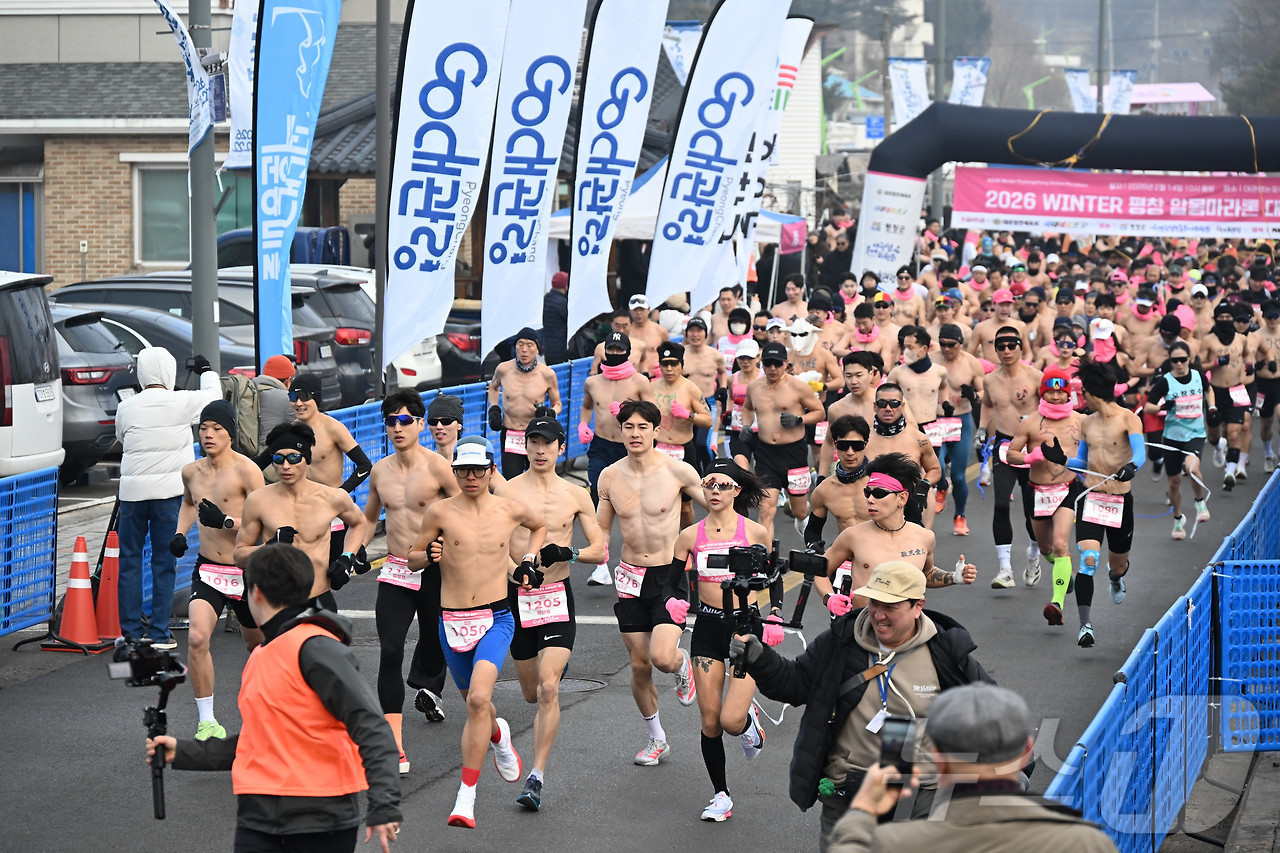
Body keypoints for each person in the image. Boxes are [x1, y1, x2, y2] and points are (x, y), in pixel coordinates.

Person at [146, 544, 403, 853]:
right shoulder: (263, 654)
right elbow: (258, 741)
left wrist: (385, 804)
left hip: (321, 822)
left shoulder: (316, 648)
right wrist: (185, 752)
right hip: (258, 821)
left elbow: (371, 725)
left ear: (254, 593)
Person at [731, 561, 994, 852]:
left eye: (891, 606)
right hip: (849, 792)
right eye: (874, 603)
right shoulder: (842, 640)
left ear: (918, 606)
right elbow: (795, 684)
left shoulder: (945, 650)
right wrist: (760, 659)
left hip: (921, 797)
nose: (879, 615)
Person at [407, 436, 547, 829]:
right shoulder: (440, 512)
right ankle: (499, 735)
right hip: (450, 621)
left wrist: (529, 560)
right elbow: (411, 557)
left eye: (478, 470)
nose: (470, 477)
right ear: (455, 472)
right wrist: (428, 555)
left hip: (496, 617)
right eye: (463, 470)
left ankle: (465, 798)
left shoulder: (509, 508)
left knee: (478, 700)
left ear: (490, 470)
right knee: (479, 707)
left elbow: (539, 527)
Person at [828, 683, 1118, 852]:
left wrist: (862, 813)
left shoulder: (894, 844)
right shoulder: (1085, 843)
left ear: (938, 759)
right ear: (1027, 751)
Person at [494, 415, 606, 811]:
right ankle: (506, 737)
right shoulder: (506, 492)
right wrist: (517, 574)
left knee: (548, 686)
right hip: (517, 597)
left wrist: (569, 552)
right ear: (524, 447)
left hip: (557, 595)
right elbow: (496, 545)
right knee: (529, 693)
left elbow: (600, 550)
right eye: (533, 442)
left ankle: (536, 777)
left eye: (548, 443)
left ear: (561, 448)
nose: (540, 450)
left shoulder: (576, 495)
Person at [596, 400, 706, 766]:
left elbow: (717, 506)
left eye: (643, 427)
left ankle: (680, 664)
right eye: (629, 427)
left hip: (668, 575)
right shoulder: (610, 476)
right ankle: (656, 738)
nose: (635, 433)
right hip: (629, 576)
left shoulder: (678, 472)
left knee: (661, 657)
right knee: (640, 664)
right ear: (620, 431)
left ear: (657, 431)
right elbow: (600, 530)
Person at [359, 390, 461, 772]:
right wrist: (353, 553)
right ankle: (394, 744)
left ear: (420, 424)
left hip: (436, 567)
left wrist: (451, 548)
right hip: (398, 570)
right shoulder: (380, 471)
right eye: (391, 421)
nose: (397, 427)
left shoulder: (438, 468)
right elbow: (369, 519)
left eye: (405, 420)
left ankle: (433, 689)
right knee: (390, 650)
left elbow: (463, 511)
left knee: (437, 642)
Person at [669, 459, 776, 822]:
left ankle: (749, 725)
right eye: (709, 484)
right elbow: (673, 580)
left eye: (723, 485)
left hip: (746, 629)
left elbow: (773, 576)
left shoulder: (755, 532)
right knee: (710, 721)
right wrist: (674, 599)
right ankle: (721, 795)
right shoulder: (689, 536)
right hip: (708, 629)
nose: (714, 491)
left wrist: (774, 612)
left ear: (737, 491)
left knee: (731, 722)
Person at [169, 400, 266, 739]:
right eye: (204, 428)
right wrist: (180, 533)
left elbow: (267, 519)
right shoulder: (191, 472)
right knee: (196, 638)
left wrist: (227, 521)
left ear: (230, 434)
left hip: (246, 569)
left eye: (217, 429)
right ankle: (206, 720)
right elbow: (187, 502)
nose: (208, 435)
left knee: (259, 649)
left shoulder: (246, 471)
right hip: (209, 569)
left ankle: (264, 715)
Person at [115, 347, 221, 647]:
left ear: (142, 372)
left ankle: (131, 634)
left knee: (130, 562)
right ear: (170, 372)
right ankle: (160, 632)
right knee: (164, 562)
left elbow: (121, 436)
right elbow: (214, 396)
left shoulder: (128, 406)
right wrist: (206, 370)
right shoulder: (181, 402)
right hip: (169, 495)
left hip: (132, 496)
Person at [1044, 359, 1145, 647]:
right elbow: (1084, 464)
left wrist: (1132, 467)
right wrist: (1062, 460)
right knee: (1088, 561)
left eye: (1083, 391)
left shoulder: (1129, 419)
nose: (1081, 396)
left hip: (1120, 499)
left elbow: (1140, 454)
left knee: (1117, 565)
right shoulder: (1087, 421)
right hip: (1092, 496)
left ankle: (1116, 578)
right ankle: (1085, 626)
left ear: (1093, 392)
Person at [817, 453, 976, 616]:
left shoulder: (924, 538)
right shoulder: (853, 536)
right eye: (867, 493)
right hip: (862, 628)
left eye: (879, 493)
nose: (870, 499)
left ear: (902, 498)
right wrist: (829, 598)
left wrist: (954, 577)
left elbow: (925, 574)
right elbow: (819, 569)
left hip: (908, 630)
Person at [235, 422, 368, 612]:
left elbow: (359, 523)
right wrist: (268, 548)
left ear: (306, 459)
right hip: (275, 605)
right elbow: (239, 556)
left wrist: (347, 558)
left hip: (318, 599)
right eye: (278, 459)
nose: (285, 466)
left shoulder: (331, 497)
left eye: (294, 458)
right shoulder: (258, 501)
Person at [1004, 368, 1086, 628]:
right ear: (1043, 393)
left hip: (1067, 489)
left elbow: (1094, 451)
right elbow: (1010, 454)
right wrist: (1030, 457)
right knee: (1047, 549)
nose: (1056, 397)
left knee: (1062, 544)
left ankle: (1057, 603)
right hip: (1037, 491)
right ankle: (1065, 573)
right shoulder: (1030, 422)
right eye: (1050, 391)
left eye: (1061, 392)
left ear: (1068, 394)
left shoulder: (1080, 421)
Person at [975, 327, 1043, 588]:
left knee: (1032, 512)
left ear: (1020, 347)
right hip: (1003, 446)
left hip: (1031, 450)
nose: (1005, 351)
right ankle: (1005, 569)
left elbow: (1054, 406)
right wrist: (982, 428)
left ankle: (1034, 555)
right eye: (1000, 346)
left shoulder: (1036, 377)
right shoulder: (990, 380)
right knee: (1001, 503)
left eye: (1011, 345)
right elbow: (989, 405)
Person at [282, 373, 373, 565]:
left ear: (316, 398)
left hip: (332, 514)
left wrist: (339, 493)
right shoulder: (290, 430)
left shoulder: (333, 428)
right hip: (301, 511)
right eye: (292, 397)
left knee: (329, 575)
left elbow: (364, 465)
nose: (298, 403)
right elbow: (262, 463)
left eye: (304, 397)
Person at [740, 341, 825, 541]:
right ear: (761, 363)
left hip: (794, 453)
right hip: (765, 454)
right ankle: (765, 560)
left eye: (777, 364)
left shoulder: (798, 387)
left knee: (800, 511)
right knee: (766, 508)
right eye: (768, 363)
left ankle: (800, 515)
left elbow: (820, 412)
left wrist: (799, 420)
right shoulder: (754, 387)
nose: (772, 368)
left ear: (786, 363)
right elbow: (746, 408)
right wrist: (745, 426)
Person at [579, 331, 656, 507]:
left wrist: (627, 411)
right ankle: (600, 533)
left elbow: (653, 413)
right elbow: (587, 406)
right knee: (598, 494)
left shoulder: (640, 381)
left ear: (627, 352)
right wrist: (583, 424)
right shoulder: (592, 382)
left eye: (619, 349)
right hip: (601, 446)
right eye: (611, 349)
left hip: (630, 446)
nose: (614, 353)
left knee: (632, 501)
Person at [1143, 341, 1211, 539]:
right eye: (1175, 360)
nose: (1179, 364)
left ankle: (1200, 501)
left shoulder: (1198, 375)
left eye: (1183, 359)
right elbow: (1148, 407)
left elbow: (1209, 390)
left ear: (1189, 359)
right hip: (1173, 437)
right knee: (1174, 482)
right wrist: (1164, 407)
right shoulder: (1165, 382)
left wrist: (1212, 407)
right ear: (1171, 361)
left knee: (1192, 468)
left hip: (1196, 434)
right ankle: (1178, 518)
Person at [486, 326, 562, 478]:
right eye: (520, 344)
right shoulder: (503, 369)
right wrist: (494, 408)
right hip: (510, 432)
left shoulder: (547, 374)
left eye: (529, 345)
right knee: (511, 478)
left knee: (537, 478)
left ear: (538, 348)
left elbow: (558, 404)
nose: (524, 349)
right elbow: (493, 388)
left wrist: (550, 413)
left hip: (535, 435)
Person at [863, 384, 942, 528]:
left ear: (902, 406)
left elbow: (935, 469)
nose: (888, 408)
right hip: (873, 512)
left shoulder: (919, 439)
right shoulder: (864, 439)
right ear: (874, 406)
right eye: (882, 404)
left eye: (894, 403)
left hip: (911, 510)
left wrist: (923, 486)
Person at [934, 324, 983, 535]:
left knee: (959, 476)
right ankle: (941, 487)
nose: (946, 349)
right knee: (935, 468)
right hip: (936, 420)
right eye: (942, 344)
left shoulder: (971, 363)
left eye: (951, 345)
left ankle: (960, 516)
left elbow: (982, 392)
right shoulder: (932, 359)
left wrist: (974, 395)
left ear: (960, 344)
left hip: (961, 421)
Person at [1201, 300, 1252, 490]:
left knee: (1234, 433)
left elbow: (1247, 354)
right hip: (1215, 391)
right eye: (1221, 317)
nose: (1225, 320)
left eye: (1228, 317)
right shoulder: (1208, 340)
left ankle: (1230, 472)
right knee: (1214, 433)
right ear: (1215, 319)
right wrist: (1215, 363)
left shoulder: (1241, 339)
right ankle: (1217, 447)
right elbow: (1199, 365)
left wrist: (1249, 365)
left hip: (1236, 389)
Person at [818, 351, 885, 478]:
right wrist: (821, 475)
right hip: (850, 474)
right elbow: (828, 442)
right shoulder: (836, 408)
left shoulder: (888, 404)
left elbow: (911, 436)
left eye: (859, 375)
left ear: (871, 374)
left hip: (882, 474)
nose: (854, 381)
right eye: (848, 376)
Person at [255, 354, 296, 448]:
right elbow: (303, 425)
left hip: (243, 455)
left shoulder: (249, 390)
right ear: (288, 381)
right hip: (268, 457)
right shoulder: (285, 398)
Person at [627, 293, 669, 373]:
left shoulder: (660, 331)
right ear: (630, 310)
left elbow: (669, 353)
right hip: (634, 378)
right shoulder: (626, 333)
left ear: (648, 309)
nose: (639, 313)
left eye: (642, 309)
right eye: (635, 310)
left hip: (656, 376)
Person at [543, 270, 569, 365]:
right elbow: (570, 321)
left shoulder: (546, 299)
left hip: (547, 346)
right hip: (560, 346)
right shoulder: (563, 303)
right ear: (565, 286)